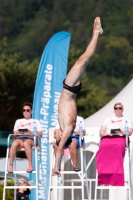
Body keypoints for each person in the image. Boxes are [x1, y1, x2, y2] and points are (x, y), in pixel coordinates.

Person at [53, 17, 103, 176]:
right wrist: (56, 167)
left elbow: (58, 144)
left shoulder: (62, 126)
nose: (55, 135)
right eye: (57, 137)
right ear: (62, 138)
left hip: (71, 89)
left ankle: (96, 34)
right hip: (69, 88)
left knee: (86, 59)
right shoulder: (67, 129)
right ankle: (96, 33)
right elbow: (60, 148)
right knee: (83, 58)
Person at [96, 102, 133, 186]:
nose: (118, 110)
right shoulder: (108, 119)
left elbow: (130, 131)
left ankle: (116, 173)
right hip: (108, 137)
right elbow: (102, 130)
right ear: (114, 109)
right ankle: (104, 173)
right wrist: (106, 133)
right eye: (116, 108)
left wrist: (122, 132)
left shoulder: (127, 119)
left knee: (119, 146)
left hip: (120, 137)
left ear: (122, 109)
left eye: (120, 108)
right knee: (103, 145)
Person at [8, 102, 42, 173]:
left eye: (27, 110)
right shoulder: (18, 121)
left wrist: (31, 133)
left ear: (31, 111)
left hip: (31, 138)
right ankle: (11, 165)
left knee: (26, 143)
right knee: (14, 144)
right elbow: (14, 134)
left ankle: (30, 165)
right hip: (20, 138)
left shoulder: (36, 121)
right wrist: (18, 133)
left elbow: (40, 134)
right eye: (24, 110)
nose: (25, 112)